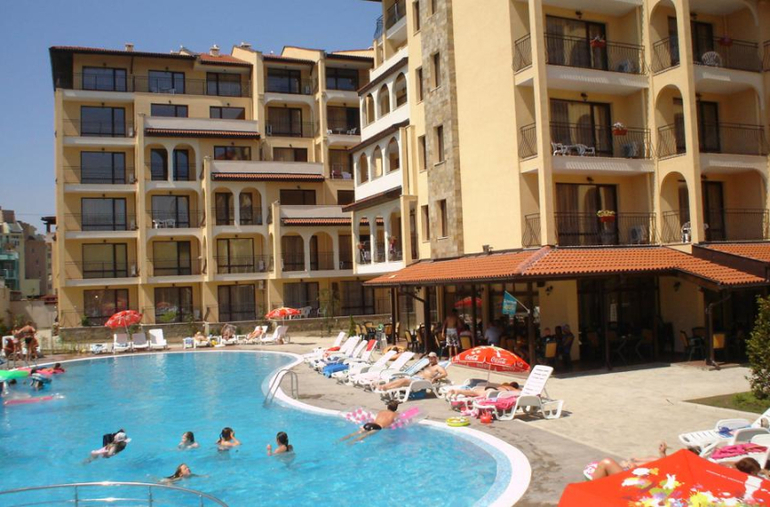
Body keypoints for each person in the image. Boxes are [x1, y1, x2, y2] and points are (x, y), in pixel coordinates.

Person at [591, 442, 669, 480]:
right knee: (654, 459)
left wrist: (632, 466)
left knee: (606, 462)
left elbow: (663, 465)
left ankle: (590, 490)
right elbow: (661, 463)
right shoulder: (653, 460)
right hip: (633, 474)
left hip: (633, 480)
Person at [376, 352, 447, 391]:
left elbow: (444, 374)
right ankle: (384, 386)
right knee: (400, 379)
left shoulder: (438, 367)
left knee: (404, 380)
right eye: (429, 357)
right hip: (416, 378)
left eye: (432, 358)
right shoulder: (428, 364)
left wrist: (435, 378)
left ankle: (385, 387)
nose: (430, 359)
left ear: (435, 358)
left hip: (422, 381)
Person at [447, 382, 520, 399]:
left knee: (473, 392)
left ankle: (457, 391)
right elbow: (519, 392)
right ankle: (457, 392)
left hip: (490, 388)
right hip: (493, 391)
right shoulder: (512, 388)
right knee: (475, 394)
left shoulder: (505, 385)